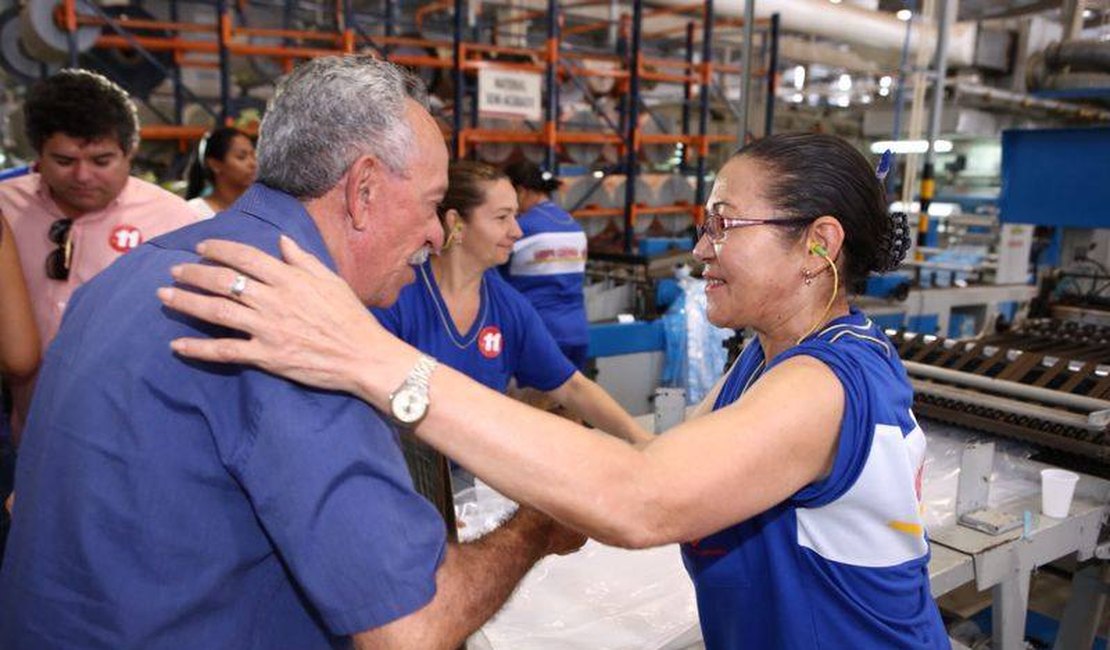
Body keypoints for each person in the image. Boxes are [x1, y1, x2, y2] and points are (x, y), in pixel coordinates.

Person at [159, 132, 945, 649]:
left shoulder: (824, 383)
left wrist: (373, 359)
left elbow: (644, 498)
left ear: (818, 244)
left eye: (723, 226)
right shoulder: (767, 358)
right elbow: (665, 464)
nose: (702, 248)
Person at [0, 55, 582, 650]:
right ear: (363, 189)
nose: (438, 234)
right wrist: (537, 524)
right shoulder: (292, 334)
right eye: (432, 204)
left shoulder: (130, 275)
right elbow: (410, 627)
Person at [380, 160, 648, 444]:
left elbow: (572, 387)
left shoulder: (508, 308)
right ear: (455, 223)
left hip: (472, 477)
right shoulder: (396, 295)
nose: (517, 231)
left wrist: (642, 441)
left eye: (516, 216)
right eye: (502, 217)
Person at [0, 69, 196, 435]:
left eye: (101, 161)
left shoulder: (174, 221)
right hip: (24, 428)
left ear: (130, 150)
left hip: (127, 430)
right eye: (63, 161)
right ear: (39, 152)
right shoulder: (7, 209)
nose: (83, 176)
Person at [501, 161, 590, 370]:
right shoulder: (573, 225)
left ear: (520, 191)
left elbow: (484, 272)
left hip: (538, 335)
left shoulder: (521, 229)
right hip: (577, 332)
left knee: (525, 403)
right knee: (567, 402)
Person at [184, 126, 258, 218]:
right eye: (241, 157)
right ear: (215, 164)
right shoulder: (194, 212)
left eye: (253, 156)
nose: (253, 164)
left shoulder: (262, 210)